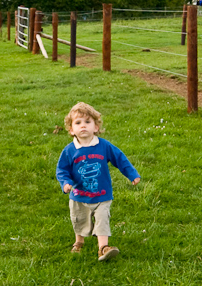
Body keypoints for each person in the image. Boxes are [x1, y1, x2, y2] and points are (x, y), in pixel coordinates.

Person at [56, 102, 140, 261]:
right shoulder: (69, 151)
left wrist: (132, 174)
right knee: (79, 218)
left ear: (95, 127)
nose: (83, 126)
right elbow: (62, 169)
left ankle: (103, 247)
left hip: (102, 193)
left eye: (88, 122)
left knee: (102, 218)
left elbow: (120, 159)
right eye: (78, 123)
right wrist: (65, 182)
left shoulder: (104, 146)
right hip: (79, 194)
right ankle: (79, 242)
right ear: (71, 129)